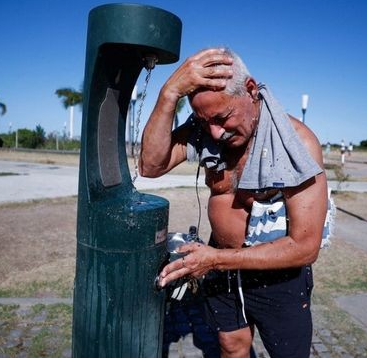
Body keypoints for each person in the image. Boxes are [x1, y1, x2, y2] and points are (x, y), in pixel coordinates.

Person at [140, 47, 327, 358]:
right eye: (204, 120)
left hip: (277, 276)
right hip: (221, 263)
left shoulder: (297, 143)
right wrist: (169, 93)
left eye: (222, 117)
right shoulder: (207, 130)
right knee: (230, 345)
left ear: (251, 90)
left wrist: (213, 260)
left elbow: (306, 246)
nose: (215, 131)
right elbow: (150, 165)